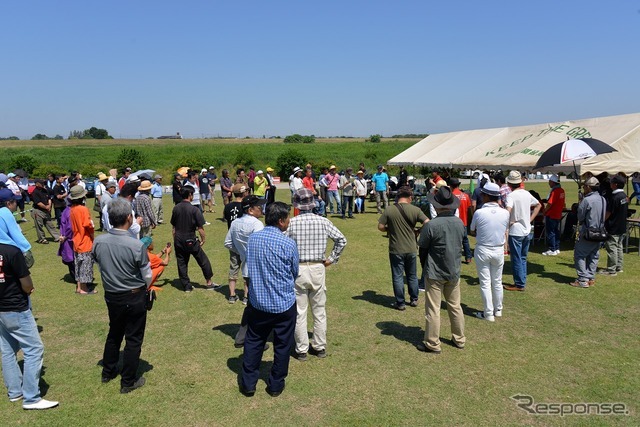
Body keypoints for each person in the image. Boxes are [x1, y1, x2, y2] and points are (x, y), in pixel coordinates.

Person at [92, 198, 152, 394]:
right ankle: (128, 381)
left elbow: (98, 264)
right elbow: (147, 275)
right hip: (134, 296)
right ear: (129, 217)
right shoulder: (135, 245)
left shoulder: (98, 241)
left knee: (114, 332)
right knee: (133, 338)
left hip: (112, 295)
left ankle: (108, 372)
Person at [238, 202, 298, 398]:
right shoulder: (288, 243)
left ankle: (248, 384)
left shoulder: (253, 239)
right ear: (281, 221)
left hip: (258, 303)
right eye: (288, 217)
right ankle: (275, 384)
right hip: (283, 304)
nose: (289, 221)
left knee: (254, 341)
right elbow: (294, 271)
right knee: (282, 345)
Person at [287, 188, 346, 360]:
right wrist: (331, 259)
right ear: (313, 204)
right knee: (319, 310)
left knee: (299, 311)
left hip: (298, 269)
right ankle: (319, 346)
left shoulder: (291, 223)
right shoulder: (323, 221)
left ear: (297, 204)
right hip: (317, 267)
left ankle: (302, 349)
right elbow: (341, 239)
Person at [0, 239, 59, 409]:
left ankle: (15, 392)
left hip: (2, 309)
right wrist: (29, 289)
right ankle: (31, 397)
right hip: (16, 308)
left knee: (8, 350)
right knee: (34, 349)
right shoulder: (12, 251)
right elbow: (26, 283)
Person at [417, 186, 466, 353]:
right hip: (453, 270)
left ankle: (432, 342)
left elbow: (422, 249)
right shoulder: (459, 223)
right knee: (455, 306)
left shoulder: (431, 225)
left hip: (435, 272)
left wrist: (424, 267)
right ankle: (459, 338)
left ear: (437, 206)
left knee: (433, 309)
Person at [378, 186, 428, 310]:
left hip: (396, 248)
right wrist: (418, 231)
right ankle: (414, 299)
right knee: (412, 274)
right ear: (410, 197)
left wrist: (389, 229)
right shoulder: (415, 209)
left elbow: (380, 226)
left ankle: (400, 302)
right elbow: (427, 222)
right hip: (411, 248)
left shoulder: (389, 210)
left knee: (397, 276)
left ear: (398, 197)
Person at [470, 183, 510, 321]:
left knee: (486, 282)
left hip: (483, 248)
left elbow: (472, 229)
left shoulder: (479, 212)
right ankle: (498, 309)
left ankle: (488, 313)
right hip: (498, 249)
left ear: (486, 196)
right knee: (497, 281)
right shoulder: (505, 212)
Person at [170, 186, 219, 292]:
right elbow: (200, 228)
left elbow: (173, 227)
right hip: (190, 239)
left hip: (178, 238)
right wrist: (203, 239)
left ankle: (186, 286)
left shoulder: (176, 208)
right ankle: (209, 283)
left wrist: (175, 238)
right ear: (190, 195)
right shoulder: (194, 209)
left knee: (182, 262)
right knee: (203, 260)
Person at [503, 171, 541, 292]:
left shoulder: (511, 196)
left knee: (516, 258)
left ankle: (519, 283)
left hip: (516, 230)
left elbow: (508, 210)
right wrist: (529, 219)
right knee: (523, 257)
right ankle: (521, 281)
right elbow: (538, 205)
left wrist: (506, 221)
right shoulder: (527, 194)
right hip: (527, 229)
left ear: (509, 183)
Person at [224, 195, 265, 303]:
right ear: (250, 210)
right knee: (250, 277)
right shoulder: (257, 224)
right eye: (259, 206)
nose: (261, 208)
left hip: (239, 253)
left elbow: (228, 243)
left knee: (235, 271)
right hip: (253, 259)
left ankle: (233, 295)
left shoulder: (235, 222)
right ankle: (246, 297)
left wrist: (240, 251)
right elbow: (259, 244)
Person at [570, 177, 606, 288]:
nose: (584, 188)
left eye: (585, 186)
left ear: (589, 187)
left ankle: (582, 279)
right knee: (593, 255)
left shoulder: (587, 200)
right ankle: (591, 277)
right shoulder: (603, 199)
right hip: (600, 231)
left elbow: (580, 217)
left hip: (588, 231)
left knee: (579, 255)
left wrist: (581, 203)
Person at [223, 184, 249, 305]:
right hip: (245, 242)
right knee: (247, 268)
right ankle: (246, 296)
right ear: (243, 193)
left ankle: (232, 295)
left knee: (233, 267)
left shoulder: (227, 206)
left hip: (233, 241)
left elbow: (226, 219)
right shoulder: (246, 206)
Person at [69, 185, 96, 295]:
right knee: (86, 265)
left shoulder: (72, 209)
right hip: (85, 241)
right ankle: (84, 289)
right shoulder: (83, 209)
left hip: (76, 240)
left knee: (78, 265)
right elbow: (87, 225)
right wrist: (93, 235)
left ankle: (79, 287)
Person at [599, 175, 628, 276]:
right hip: (622, 226)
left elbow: (609, 212)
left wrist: (601, 221)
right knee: (619, 247)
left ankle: (611, 269)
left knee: (612, 248)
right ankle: (619, 267)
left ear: (615, 185)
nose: (610, 184)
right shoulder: (624, 196)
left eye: (611, 183)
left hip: (613, 226)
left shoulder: (614, 197)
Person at [450, 178, 473, 263]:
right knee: (465, 240)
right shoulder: (465, 196)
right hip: (464, 222)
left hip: (453, 222)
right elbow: (469, 209)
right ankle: (468, 257)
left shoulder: (450, 196)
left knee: (454, 241)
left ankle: (454, 258)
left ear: (451, 186)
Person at [542, 174, 565, 256]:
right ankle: (557, 247)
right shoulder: (562, 190)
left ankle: (552, 249)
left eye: (549, 181)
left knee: (550, 232)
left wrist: (545, 210)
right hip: (558, 214)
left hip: (552, 214)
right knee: (556, 231)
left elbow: (550, 203)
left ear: (552, 182)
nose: (549, 183)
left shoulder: (555, 191)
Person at [30, 179, 60, 244]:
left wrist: (49, 205)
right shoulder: (35, 192)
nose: (43, 184)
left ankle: (57, 237)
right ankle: (42, 239)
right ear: (37, 184)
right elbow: (38, 203)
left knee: (50, 224)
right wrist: (46, 207)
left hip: (46, 210)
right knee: (39, 226)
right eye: (41, 183)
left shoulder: (44, 190)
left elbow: (49, 198)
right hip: (38, 210)